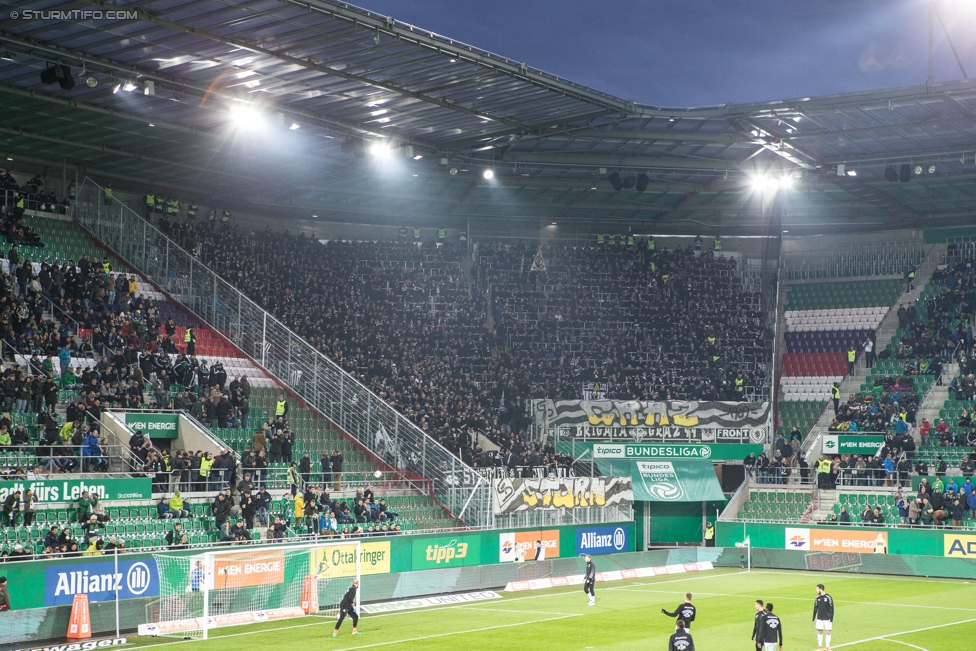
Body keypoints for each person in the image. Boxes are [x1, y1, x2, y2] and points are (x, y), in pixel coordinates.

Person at [813, 584, 834, 651]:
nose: (816, 590)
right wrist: (813, 617)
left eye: (817, 589)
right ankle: (820, 646)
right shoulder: (817, 598)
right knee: (820, 631)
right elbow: (815, 608)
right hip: (819, 618)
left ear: (820, 589)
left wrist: (831, 617)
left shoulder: (828, 597)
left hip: (827, 618)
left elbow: (831, 608)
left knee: (828, 632)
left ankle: (827, 647)